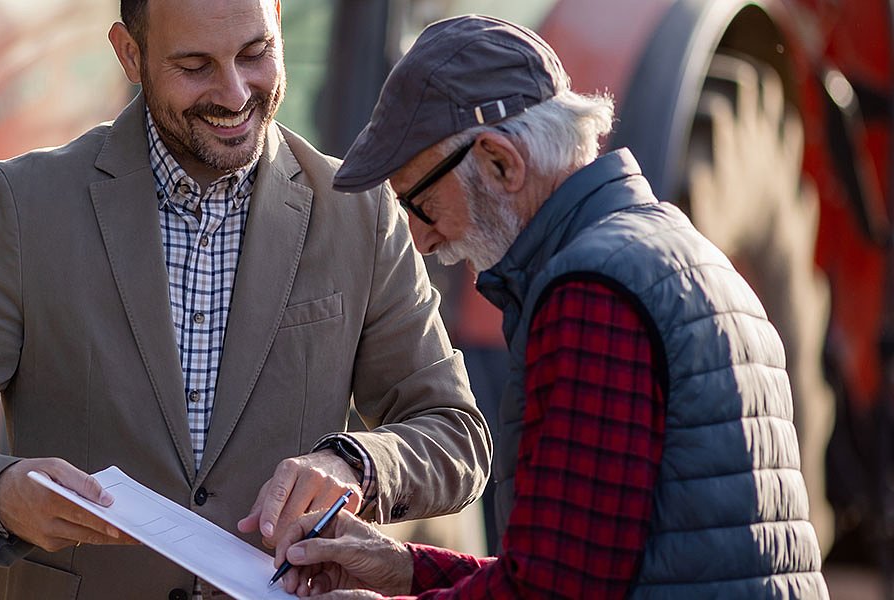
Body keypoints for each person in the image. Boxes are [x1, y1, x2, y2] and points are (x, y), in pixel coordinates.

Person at [0, 1, 492, 597]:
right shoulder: (24, 205)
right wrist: (0, 490)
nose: (234, 92)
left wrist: (354, 466)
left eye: (256, 53)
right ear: (129, 55)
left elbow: (455, 435)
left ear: (278, 22)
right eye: (194, 67)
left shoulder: (360, 213)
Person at [270, 14, 830, 599]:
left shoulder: (592, 295)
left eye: (421, 201)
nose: (422, 238)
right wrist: (404, 568)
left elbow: (555, 595)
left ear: (501, 162)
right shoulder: (679, 259)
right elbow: (575, 569)